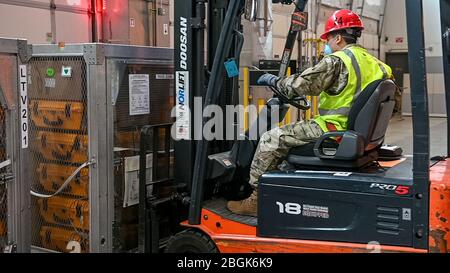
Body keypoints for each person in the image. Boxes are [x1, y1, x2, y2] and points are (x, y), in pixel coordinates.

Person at [227, 9, 393, 217]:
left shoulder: (338, 61)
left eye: (329, 39)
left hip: (333, 128)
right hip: (356, 132)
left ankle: (256, 199)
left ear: (338, 37)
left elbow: (299, 84)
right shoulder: (378, 65)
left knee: (271, 138)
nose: (327, 44)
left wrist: (273, 81)